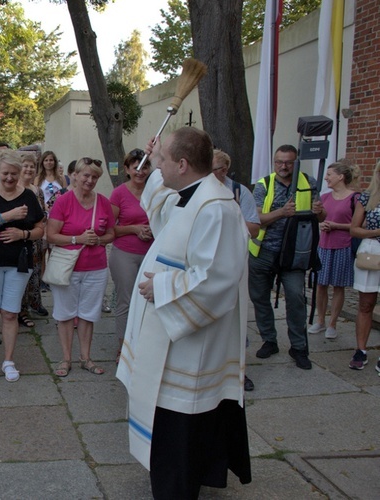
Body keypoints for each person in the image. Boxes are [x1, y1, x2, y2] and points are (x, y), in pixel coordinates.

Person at [116, 128, 251, 498]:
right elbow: (160, 212)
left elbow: (216, 280)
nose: (152, 167)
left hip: (191, 351)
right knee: (168, 429)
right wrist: (157, 154)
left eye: (160, 161)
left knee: (181, 430)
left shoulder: (217, 208)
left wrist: (159, 287)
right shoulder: (189, 197)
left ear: (183, 164)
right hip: (171, 344)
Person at [249, 145, 325, 370]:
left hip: (294, 253)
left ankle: (299, 348)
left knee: (295, 298)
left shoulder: (308, 182)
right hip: (264, 251)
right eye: (279, 162)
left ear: (296, 162)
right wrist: (281, 212)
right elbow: (257, 218)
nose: (283, 166)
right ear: (274, 162)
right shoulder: (264, 184)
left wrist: (319, 211)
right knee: (260, 298)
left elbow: (321, 217)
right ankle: (269, 340)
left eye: (289, 162)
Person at [0, 150, 44, 383]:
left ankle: (9, 361)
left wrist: (22, 233)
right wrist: (8, 216)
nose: (10, 178)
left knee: (11, 313)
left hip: (18, 262)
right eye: (5, 174)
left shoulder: (29, 196)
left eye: (14, 173)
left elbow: (41, 229)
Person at [48, 157, 115, 377]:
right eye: (86, 175)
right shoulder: (63, 201)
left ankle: (85, 358)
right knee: (65, 314)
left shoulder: (103, 202)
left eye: (95, 177)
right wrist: (77, 239)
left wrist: (99, 239)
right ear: (75, 175)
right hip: (69, 267)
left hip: (96, 267)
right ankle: (66, 358)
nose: (90, 180)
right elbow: (51, 235)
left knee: (88, 315)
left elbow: (111, 233)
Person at [212, 149, 260, 392]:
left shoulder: (239, 192)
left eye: (215, 170)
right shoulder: (200, 190)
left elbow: (254, 229)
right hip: (210, 263)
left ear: (225, 170)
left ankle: (241, 370)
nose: (211, 174)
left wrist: (233, 214)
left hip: (234, 263)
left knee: (236, 315)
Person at [108, 149, 152, 364]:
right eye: (136, 167)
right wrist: (134, 229)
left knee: (148, 301)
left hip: (152, 253)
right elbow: (109, 229)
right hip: (125, 252)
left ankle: (144, 345)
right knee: (126, 301)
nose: (140, 172)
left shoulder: (156, 191)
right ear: (126, 169)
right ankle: (123, 346)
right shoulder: (119, 194)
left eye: (144, 167)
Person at [310, 161, 358, 341]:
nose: (326, 178)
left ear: (340, 177)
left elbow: (359, 224)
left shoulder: (355, 198)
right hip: (323, 245)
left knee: (338, 286)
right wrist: (320, 222)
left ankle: (333, 323)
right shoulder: (325, 197)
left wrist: (337, 226)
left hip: (343, 246)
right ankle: (320, 320)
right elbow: (318, 218)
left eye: (330, 174)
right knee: (321, 284)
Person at [349, 159, 380, 372]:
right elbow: (354, 229)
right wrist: (376, 232)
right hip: (371, 252)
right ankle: (361, 350)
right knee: (366, 304)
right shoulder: (367, 197)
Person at [18, 152, 47, 326]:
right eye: (25, 166)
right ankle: (21, 311)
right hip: (21, 239)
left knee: (35, 274)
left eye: (32, 166)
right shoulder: (17, 189)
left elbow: (42, 215)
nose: (29, 169)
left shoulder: (38, 191)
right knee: (22, 275)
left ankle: (34, 303)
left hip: (36, 238)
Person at [36, 151, 62, 215]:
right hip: (44, 212)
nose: (48, 162)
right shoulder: (38, 179)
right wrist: (45, 207)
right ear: (42, 163)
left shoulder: (61, 178)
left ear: (55, 162)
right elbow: (36, 197)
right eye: (46, 160)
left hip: (59, 211)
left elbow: (65, 194)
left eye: (51, 160)